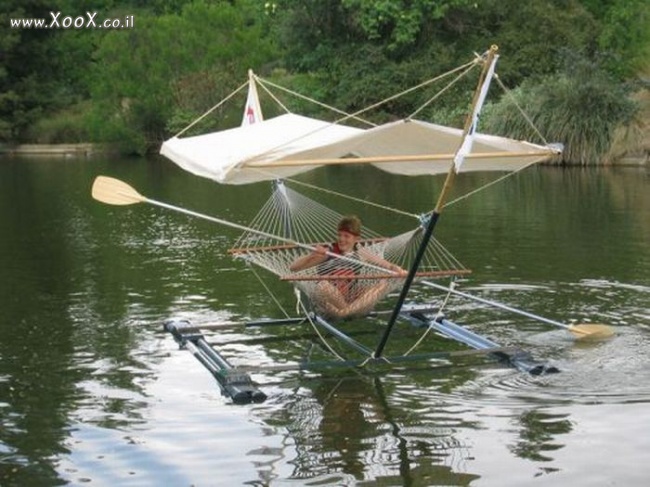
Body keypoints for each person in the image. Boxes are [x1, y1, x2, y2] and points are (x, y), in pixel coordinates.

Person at [290, 215, 406, 319]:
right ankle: (348, 312)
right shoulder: (329, 251)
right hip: (331, 302)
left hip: (351, 298)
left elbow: (388, 265)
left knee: (382, 284)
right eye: (339, 235)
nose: (341, 239)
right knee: (322, 285)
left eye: (346, 236)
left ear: (356, 239)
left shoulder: (360, 252)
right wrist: (312, 255)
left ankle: (344, 313)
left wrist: (398, 270)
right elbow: (294, 268)